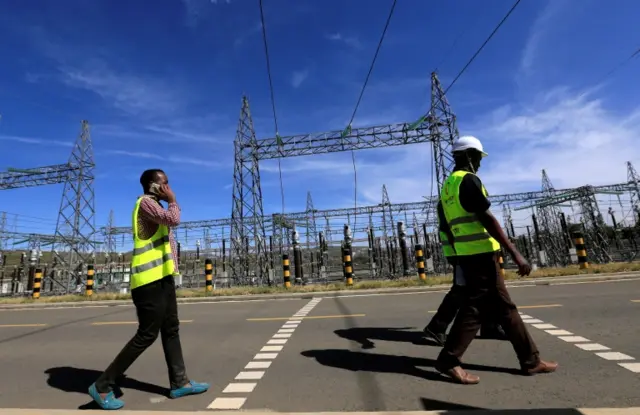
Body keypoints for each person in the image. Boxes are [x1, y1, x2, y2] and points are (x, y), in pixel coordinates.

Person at [434, 136, 558, 385]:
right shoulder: (467, 180)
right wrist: (514, 251)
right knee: (476, 307)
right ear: (469, 155)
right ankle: (448, 360)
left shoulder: (447, 186)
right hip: (481, 255)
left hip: (469, 254)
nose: (480, 162)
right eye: (478, 157)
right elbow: (487, 218)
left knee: (504, 308)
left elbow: (447, 226)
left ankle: (530, 360)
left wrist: (455, 257)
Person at [89, 169, 209, 410]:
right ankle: (102, 386)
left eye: (168, 184)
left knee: (171, 329)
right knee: (147, 334)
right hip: (147, 282)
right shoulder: (145, 204)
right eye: (164, 183)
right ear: (153, 185)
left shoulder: (155, 206)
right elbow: (172, 219)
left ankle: (180, 382)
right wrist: (173, 200)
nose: (168, 187)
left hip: (163, 279)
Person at [422, 214, 506, 346]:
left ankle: (490, 325)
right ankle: (436, 327)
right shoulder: (455, 196)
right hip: (465, 252)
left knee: (485, 287)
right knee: (461, 290)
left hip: (471, 250)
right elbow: (448, 227)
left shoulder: (452, 197)